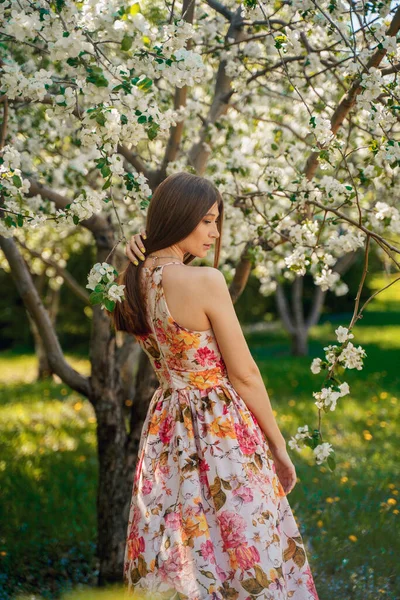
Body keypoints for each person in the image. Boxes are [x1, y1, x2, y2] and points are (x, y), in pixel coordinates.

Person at [112, 172, 319, 599]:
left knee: (182, 544)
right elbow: (245, 374)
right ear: (178, 217)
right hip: (218, 426)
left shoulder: (131, 280)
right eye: (206, 220)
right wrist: (278, 446)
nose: (215, 232)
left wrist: (137, 248)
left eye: (216, 221)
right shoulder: (205, 281)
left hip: (167, 427)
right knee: (246, 545)